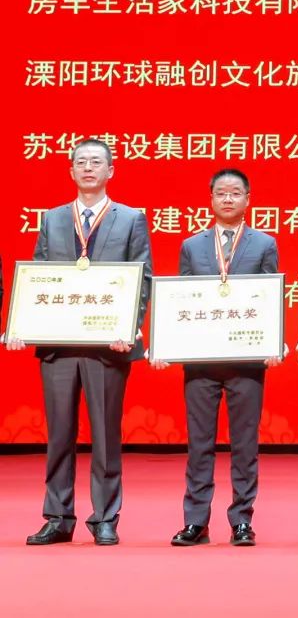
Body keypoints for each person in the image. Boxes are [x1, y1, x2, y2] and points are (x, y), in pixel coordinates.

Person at [11, 139, 152, 546]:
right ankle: (58, 516)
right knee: (59, 434)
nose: (88, 168)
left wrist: (130, 326)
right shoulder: (53, 219)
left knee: (105, 435)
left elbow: (142, 277)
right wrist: (23, 322)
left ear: (111, 170)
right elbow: (38, 276)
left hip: (109, 345)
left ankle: (105, 517)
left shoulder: (131, 218)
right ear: (71, 171)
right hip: (58, 346)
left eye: (96, 162)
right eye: (81, 162)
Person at [154, 168, 280, 547]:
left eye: (235, 193)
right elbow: (182, 302)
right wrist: (166, 345)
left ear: (247, 200)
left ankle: (242, 520)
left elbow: (270, 297)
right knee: (199, 445)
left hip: (247, 361)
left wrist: (273, 342)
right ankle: (196, 522)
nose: (228, 198)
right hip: (201, 363)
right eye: (221, 193)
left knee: (245, 446)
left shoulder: (264, 244)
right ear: (210, 199)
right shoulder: (192, 246)